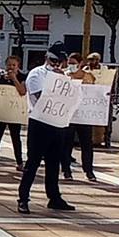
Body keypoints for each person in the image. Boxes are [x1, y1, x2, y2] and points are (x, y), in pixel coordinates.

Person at [17, 46, 74, 214]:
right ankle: (23, 198)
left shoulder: (64, 76)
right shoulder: (36, 74)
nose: (56, 65)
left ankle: (54, 197)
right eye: (53, 61)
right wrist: (57, 80)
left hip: (57, 122)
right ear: (46, 58)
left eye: (59, 62)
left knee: (54, 162)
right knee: (33, 162)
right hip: (40, 122)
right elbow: (42, 97)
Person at [0, 55, 26, 172]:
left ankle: (19, 162)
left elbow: (22, 91)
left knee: (15, 137)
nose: (11, 67)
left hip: (14, 112)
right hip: (0, 111)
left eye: (14, 65)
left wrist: (14, 79)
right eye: (9, 65)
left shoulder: (22, 76)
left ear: (18, 66)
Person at [61, 52, 97, 182]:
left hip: (84, 116)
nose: (71, 66)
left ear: (80, 63)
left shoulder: (88, 77)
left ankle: (89, 171)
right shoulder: (64, 76)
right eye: (69, 63)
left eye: (74, 63)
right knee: (66, 143)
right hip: (68, 115)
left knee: (86, 144)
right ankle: (66, 170)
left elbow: (94, 94)